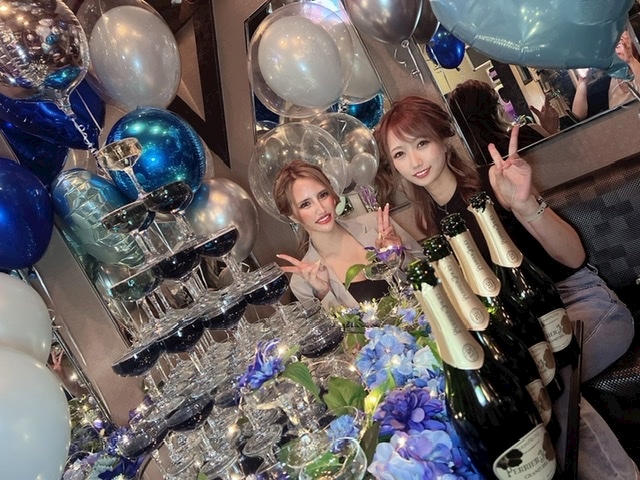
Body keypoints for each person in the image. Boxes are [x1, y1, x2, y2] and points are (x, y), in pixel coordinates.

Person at [374, 95, 638, 479]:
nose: (414, 161)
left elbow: (573, 257)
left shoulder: (493, 183)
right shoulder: (431, 221)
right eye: (400, 154)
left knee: (546, 383)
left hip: (582, 305)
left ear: (444, 140)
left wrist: (525, 204)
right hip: (524, 333)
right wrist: (398, 265)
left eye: (422, 143)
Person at [273, 160, 421, 309]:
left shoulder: (376, 224)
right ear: (292, 216)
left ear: (332, 193)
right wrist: (324, 293)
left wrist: (399, 258)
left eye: (323, 195)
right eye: (306, 204)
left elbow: (428, 272)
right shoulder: (302, 282)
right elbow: (339, 325)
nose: (321, 209)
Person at [448, 79, 557, 164]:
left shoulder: (474, 164)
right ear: (496, 109)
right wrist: (550, 131)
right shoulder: (529, 133)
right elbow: (560, 161)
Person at [572, 30, 640, 121]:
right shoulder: (612, 78)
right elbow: (578, 117)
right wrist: (582, 82)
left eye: (623, 39)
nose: (619, 45)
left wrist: (631, 60)